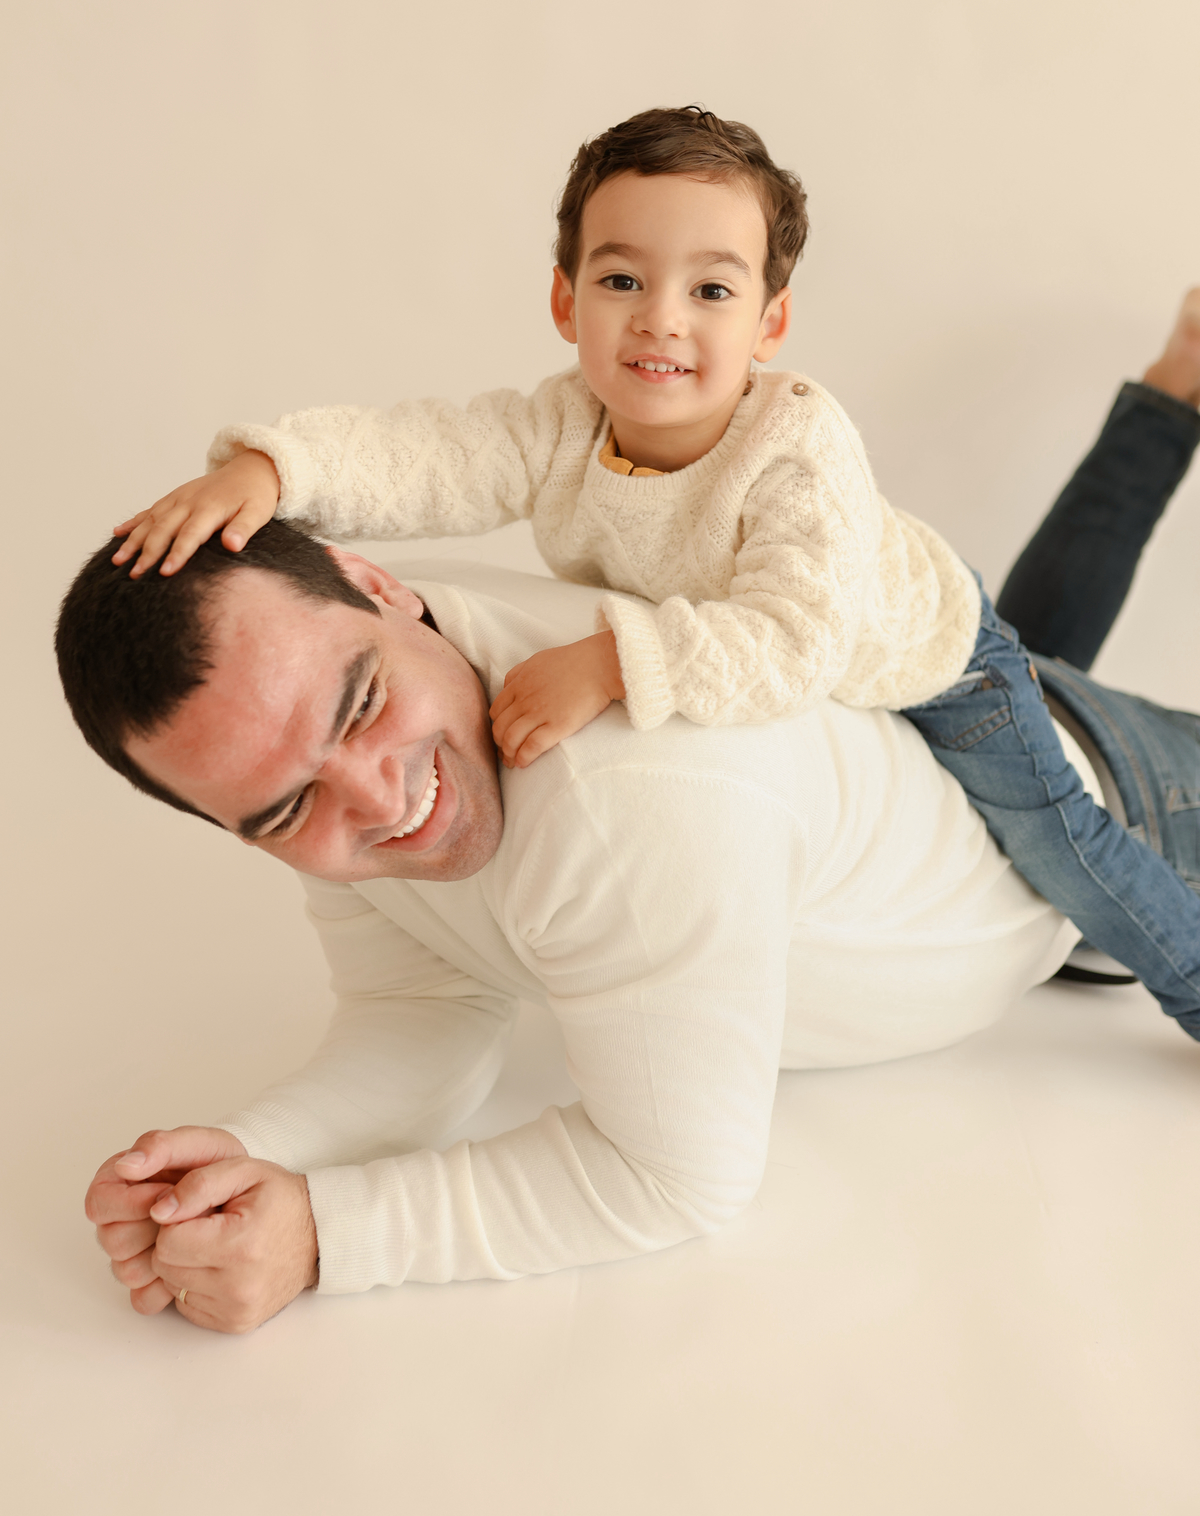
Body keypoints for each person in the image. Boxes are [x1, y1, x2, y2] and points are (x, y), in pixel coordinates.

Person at [59, 327, 1200, 1335]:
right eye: (285, 810)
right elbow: (427, 1002)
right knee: (1017, 649)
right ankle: (1174, 389)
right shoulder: (340, 668)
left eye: (360, 706)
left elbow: (674, 1180)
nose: (377, 799)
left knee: (1020, 671)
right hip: (935, 709)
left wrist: (327, 1237)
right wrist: (241, 1165)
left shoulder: (635, 806)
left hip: (1122, 802)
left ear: (374, 582)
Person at [108, 103, 1200, 1058]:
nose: (661, 317)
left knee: (1070, 843)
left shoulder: (796, 444)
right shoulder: (563, 424)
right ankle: (1170, 400)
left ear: (769, 322)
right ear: (564, 300)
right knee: (1059, 658)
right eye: (622, 279)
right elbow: (429, 454)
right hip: (834, 649)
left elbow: (794, 641)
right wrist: (274, 471)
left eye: (711, 288)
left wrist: (612, 665)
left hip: (938, 665)